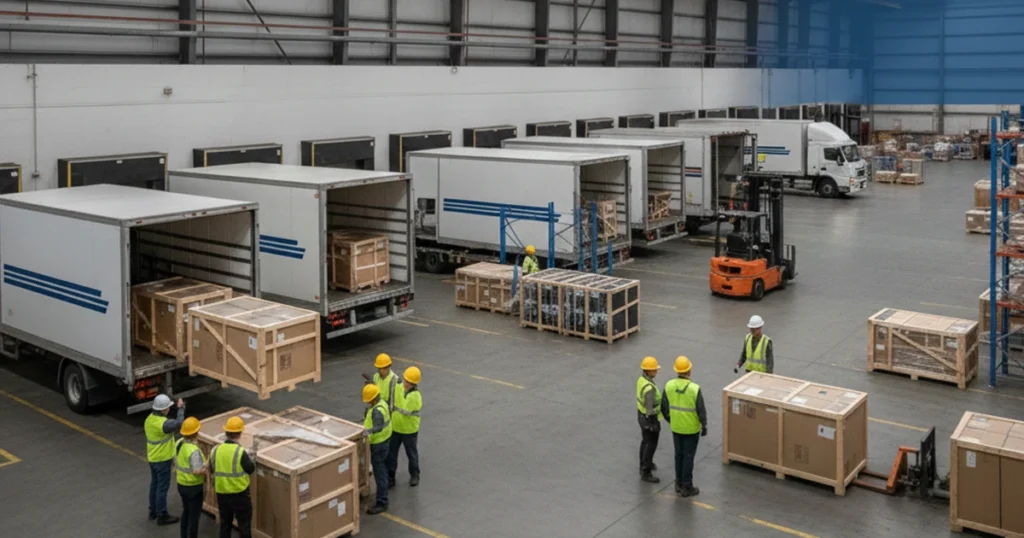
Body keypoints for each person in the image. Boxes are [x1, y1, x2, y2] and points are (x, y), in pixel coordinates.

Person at [661, 356, 708, 497]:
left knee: (678, 455)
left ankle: (678, 482)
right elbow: (701, 409)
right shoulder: (694, 389)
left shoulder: (669, 385)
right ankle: (687, 486)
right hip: (691, 429)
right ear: (689, 371)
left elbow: (664, 407)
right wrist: (704, 425)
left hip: (676, 427)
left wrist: (671, 419)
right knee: (688, 457)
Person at [211, 416, 255, 538]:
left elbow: (211, 468)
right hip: (239, 493)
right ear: (240, 434)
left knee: (225, 524)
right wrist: (252, 457)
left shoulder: (216, 450)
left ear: (226, 433)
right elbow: (250, 469)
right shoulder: (240, 452)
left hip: (222, 493)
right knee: (244, 525)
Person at [146, 394, 184, 525]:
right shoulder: (162, 424)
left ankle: (152, 511)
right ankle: (162, 515)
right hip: (163, 459)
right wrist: (181, 408)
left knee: (154, 484)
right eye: (167, 408)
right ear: (163, 410)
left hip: (153, 458)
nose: (168, 409)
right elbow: (179, 423)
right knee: (162, 487)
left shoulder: (149, 420)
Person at [387, 366, 423, 488]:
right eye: (405, 380)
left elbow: (406, 409)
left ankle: (415, 474)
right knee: (391, 453)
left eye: (409, 382)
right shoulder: (398, 386)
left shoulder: (415, 396)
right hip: (396, 426)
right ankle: (390, 476)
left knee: (411, 453)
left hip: (409, 430)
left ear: (414, 384)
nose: (406, 384)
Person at [363, 384, 393, 515]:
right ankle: (384, 491)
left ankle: (382, 502)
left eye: (369, 400)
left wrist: (366, 432)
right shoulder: (382, 403)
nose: (367, 402)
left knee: (379, 473)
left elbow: (378, 427)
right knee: (383, 470)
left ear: (374, 399)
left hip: (379, 445)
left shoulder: (376, 411)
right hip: (385, 441)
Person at [175, 417, 207, 538]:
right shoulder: (193, 450)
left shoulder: (179, 443)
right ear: (196, 433)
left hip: (181, 484)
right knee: (194, 516)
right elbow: (196, 471)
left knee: (186, 512)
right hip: (193, 487)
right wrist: (206, 468)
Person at [636, 356, 662, 483]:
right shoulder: (649, 388)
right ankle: (646, 471)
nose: (656, 371)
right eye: (655, 370)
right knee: (651, 444)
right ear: (649, 371)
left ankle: (644, 463)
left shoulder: (642, 380)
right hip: (649, 418)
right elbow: (650, 408)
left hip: (641, 415)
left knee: (645, 441)